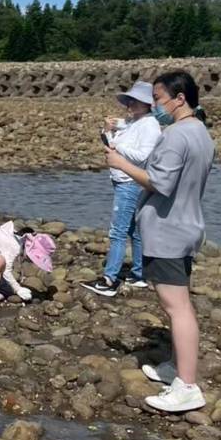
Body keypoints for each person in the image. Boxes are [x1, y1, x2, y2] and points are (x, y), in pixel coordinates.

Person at [106, 70, 215, 413]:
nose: (155, 105)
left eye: (158, 98)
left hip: (168, 230)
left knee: (177, 307)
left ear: (179, 98)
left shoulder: (177, 135)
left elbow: (159, 183)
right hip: (187, 225)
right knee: (177, 304)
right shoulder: (200, 132)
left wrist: (120, 162)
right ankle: (176, 367)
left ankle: (187, 385)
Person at [83, 81, 161, 297]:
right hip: (124, 180)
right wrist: (107, 131)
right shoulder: (134, 122)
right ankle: (138, 275)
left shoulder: (149, 125)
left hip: (130, 182)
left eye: (135, 101)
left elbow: (142, 156)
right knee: (132, 231)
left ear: (147, 104)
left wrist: (117, 145)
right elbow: (110, 142)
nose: (130, 105)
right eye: (129, 101)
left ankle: (110, 280)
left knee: (117, 232)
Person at [0, 221, 54, 303]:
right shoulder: (15, 247)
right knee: (0, 262)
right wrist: (17, 288)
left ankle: (3, 284)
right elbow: (6, 270)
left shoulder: (20, 238)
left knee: (4, 260)